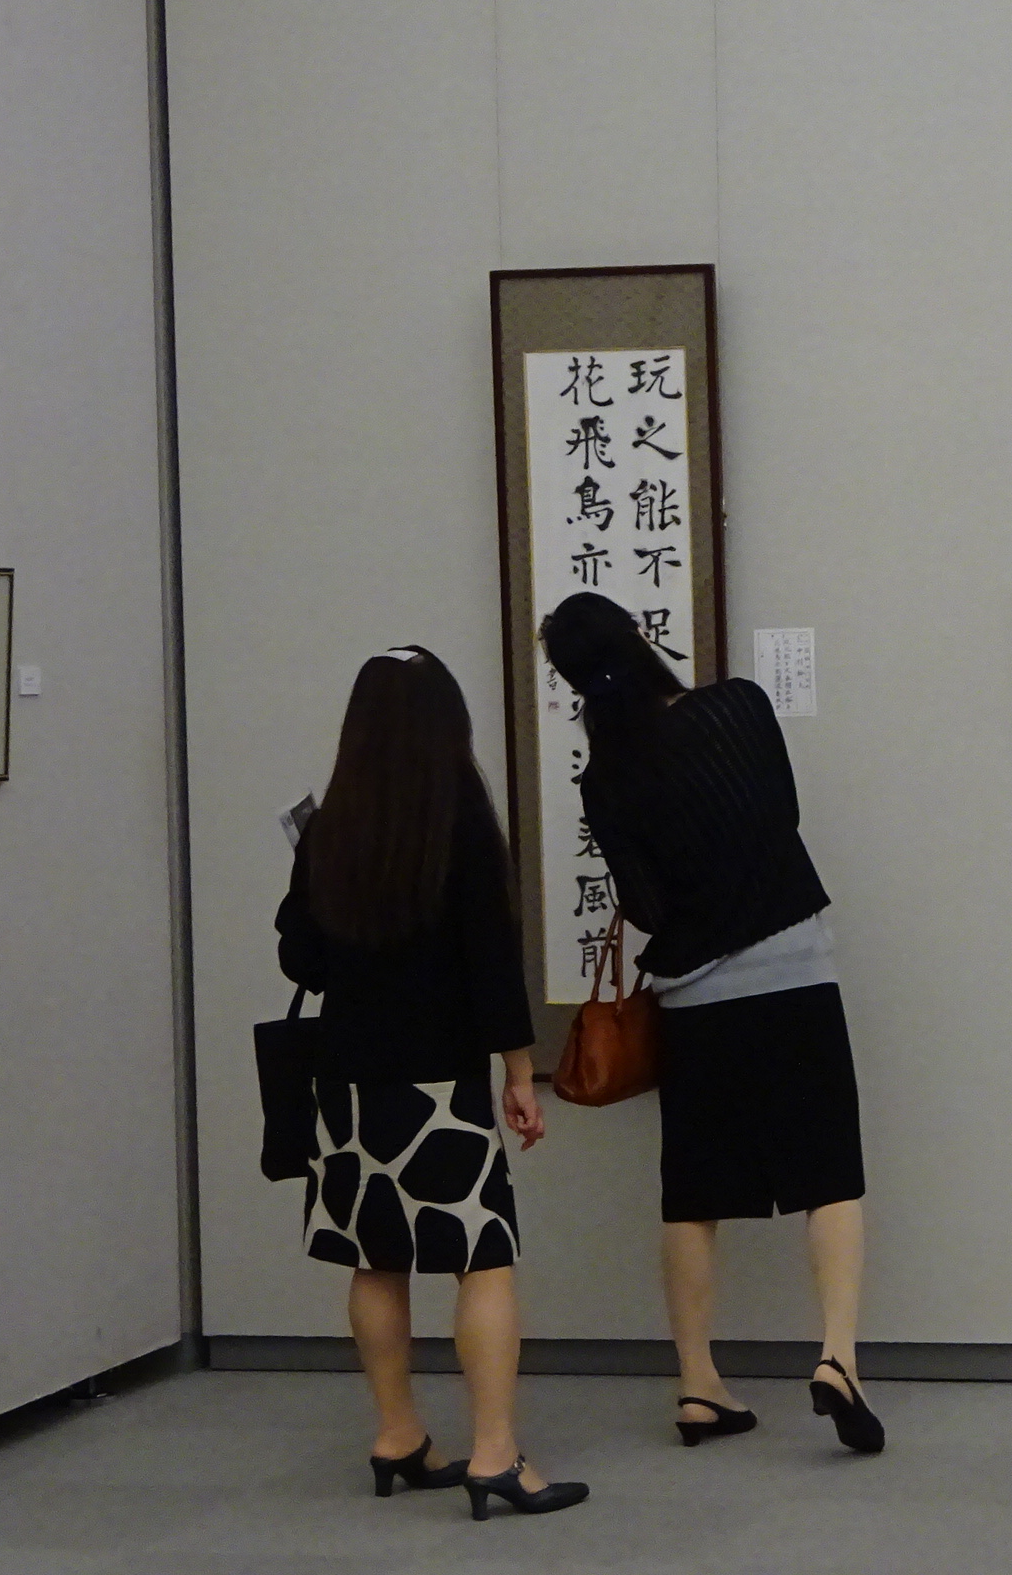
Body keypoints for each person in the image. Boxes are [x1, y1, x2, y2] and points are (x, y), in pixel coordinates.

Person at [539, 592, 886, 1454]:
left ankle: (697, 1385)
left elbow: (646, 907)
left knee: (693, 1195)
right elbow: (783, 819)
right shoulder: (738, 706)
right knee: (829, 1173)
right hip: (794, 970)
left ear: (574, 684)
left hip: (695, 997)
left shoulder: (606, 780)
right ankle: (838, 1358)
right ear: (639, 637)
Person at [276, 646, 590, 1519]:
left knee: (375, 1259)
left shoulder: (330, 829)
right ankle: (495, 1453)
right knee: (481, 1260)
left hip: (345, 1082)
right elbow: (492, 965)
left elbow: (302, 959)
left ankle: (397, 1434)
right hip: (440, 1086)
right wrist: (520, 1073)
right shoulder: (462, 823)